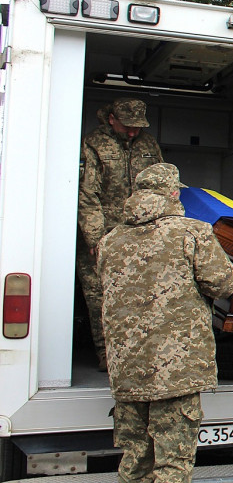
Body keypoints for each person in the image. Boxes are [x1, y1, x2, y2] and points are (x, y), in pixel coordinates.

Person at [98, 163, 233, 483]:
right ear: (174, 194)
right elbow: (223, 283)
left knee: (134, 461)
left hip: (127, 372)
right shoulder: (191, 232)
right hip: (176, 373)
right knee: (173, 466)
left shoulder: (110, 240)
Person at [79, 98, 163, 369]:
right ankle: (107, 355)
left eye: (138, 127)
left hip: (142, 233)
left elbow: (163, 187)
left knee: (142, 293)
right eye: (127, 126)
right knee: (100, 295)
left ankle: (138, 355)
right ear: (112, 119)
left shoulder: (148, 144)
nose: (132, 132)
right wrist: (94, 236)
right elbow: (87, 193)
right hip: (106, 232)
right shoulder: (94, 143)